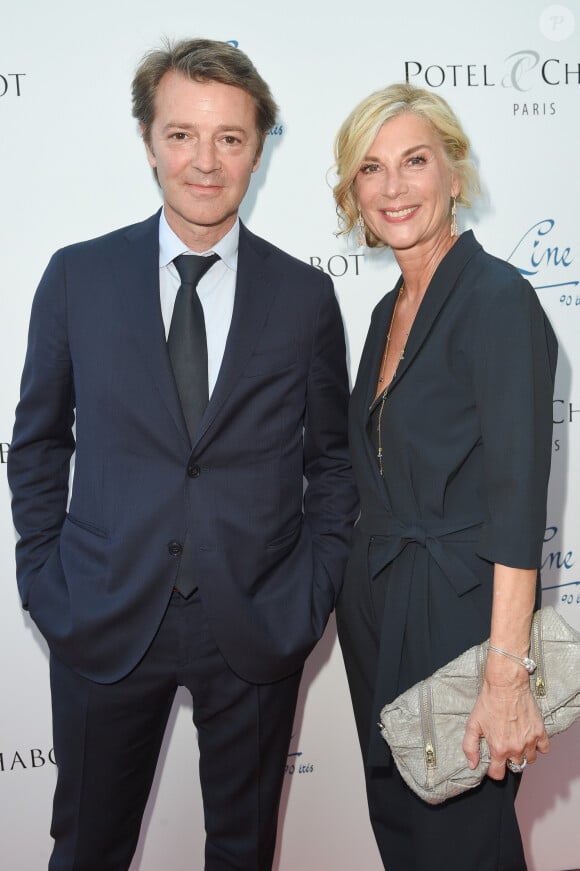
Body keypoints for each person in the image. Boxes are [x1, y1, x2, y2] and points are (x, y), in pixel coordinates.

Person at [7, 38, 357, 871]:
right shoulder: (75, 277)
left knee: (243, 853)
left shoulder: (304, 295)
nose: (205, 161)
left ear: (258, 149)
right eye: (182, 135)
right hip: (101, 612)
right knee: (87, 848)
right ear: (148, 140)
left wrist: (306, 597)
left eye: (230, 138)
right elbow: (39, 441)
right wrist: (45, 575)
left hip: (257, 620)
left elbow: (333, 463)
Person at [332, 82, 557, 870]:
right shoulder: (383, 313)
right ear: (352, 191)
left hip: (461, 623)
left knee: (462, 846)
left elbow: (516, 497)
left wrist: (507, 671)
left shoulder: (498, 299)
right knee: (404, 837)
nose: (393, 187)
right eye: (371, 168)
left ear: (455, 174)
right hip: (380, 609)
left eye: (415, 161)